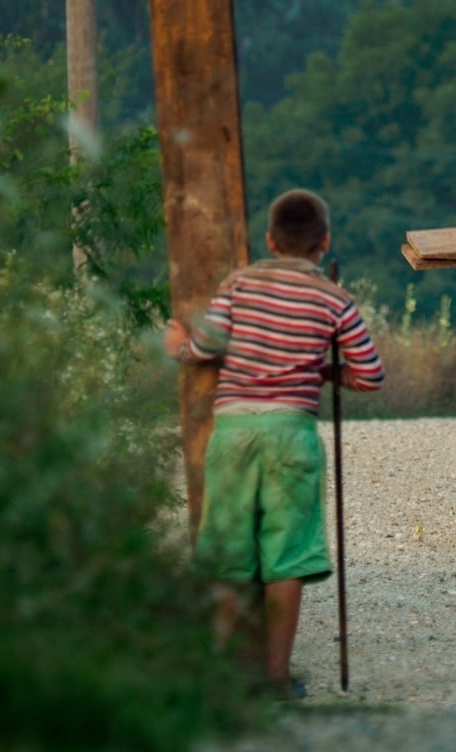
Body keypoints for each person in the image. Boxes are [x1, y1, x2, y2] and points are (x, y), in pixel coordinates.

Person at [164, 189, 385, 699]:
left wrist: (179, 346)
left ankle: (218, 674)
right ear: (323, 243)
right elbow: (371, 375)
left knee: (226, 552)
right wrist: (324, 370)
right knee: (286, 557)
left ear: (270, 240)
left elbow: (207, 345)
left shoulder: (239, 284)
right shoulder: (335, 299)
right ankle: (275, 680)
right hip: (291, 431)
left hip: (236, 430)